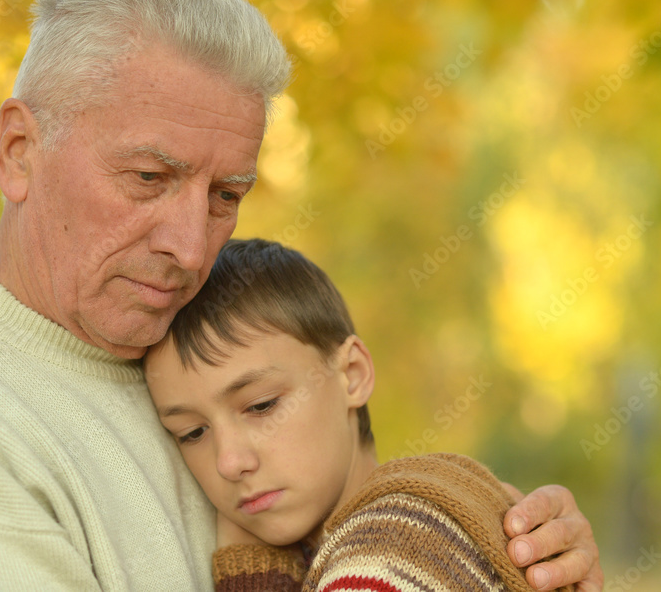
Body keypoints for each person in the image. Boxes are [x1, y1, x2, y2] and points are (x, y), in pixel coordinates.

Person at [0, 0, 601, 591]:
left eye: (226, 194)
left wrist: (512, 544)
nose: (189, 245)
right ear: (20, 151)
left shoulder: (193, 349)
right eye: (148, 177)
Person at [144, 238, 577, 591]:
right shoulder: (342, 544)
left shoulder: (402, 542)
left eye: (261, 406)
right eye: (192, 432)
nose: (229, 462)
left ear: (352, 375)